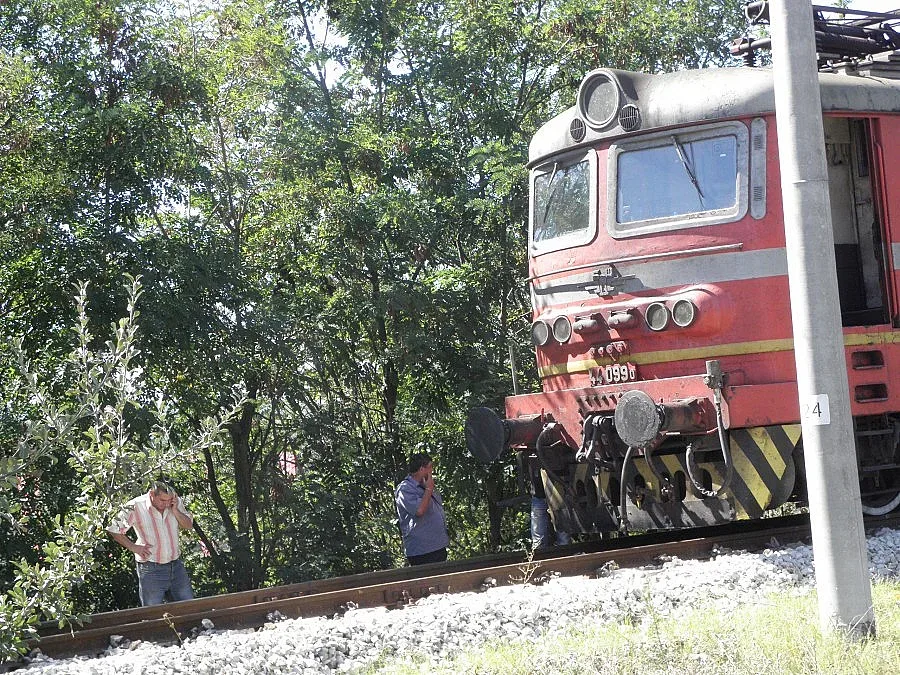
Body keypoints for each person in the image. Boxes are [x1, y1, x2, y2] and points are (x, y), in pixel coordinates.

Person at [107, 480, 195, 606]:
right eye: (162, 500)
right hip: (150, 568)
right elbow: (113, 528)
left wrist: (176, 510)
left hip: (176, 566)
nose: (166, 504)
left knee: (189, 607)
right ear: (152, 494)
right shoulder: (135, 506)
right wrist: (134, 547)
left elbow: (188, 525)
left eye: (169, 500)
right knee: (152, 612)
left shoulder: (174, 502)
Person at [395, 452, 450, 565]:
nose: (432, 470)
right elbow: (419, 511)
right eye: (430, 467)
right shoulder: (405, 489)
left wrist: (428, 488)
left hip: (438, 546)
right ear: (421, 469)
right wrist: (429, 489)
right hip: (422, 551)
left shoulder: (425, 484)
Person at [527, 453, 571, 550]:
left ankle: (541, 550)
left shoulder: (534, 455)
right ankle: (561, 549)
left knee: (542, 523)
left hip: (547, 492)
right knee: (560, 525)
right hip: (543, 493)